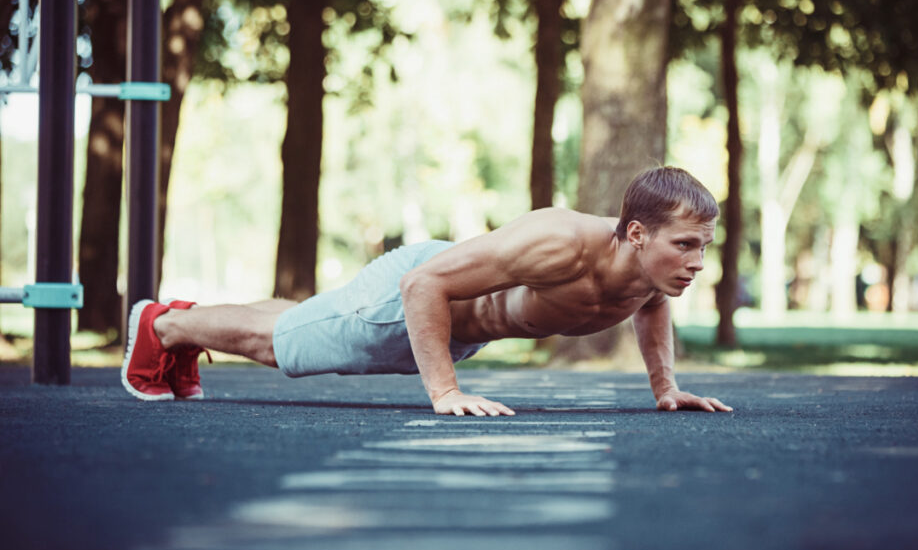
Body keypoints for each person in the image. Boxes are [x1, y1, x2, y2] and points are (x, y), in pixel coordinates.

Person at [121, 166, 732, 416]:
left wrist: (666, 387)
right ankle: (162, 327)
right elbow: (424, 284)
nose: (697, 262)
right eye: (685, 245)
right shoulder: (560, 241)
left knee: (308, 319)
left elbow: (650, 310)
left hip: (452, 318)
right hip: (414, 298)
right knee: (284, 346)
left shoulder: (648, 274)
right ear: (634, 233)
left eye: (703, 246)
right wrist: (443, 391)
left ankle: (185, 319)